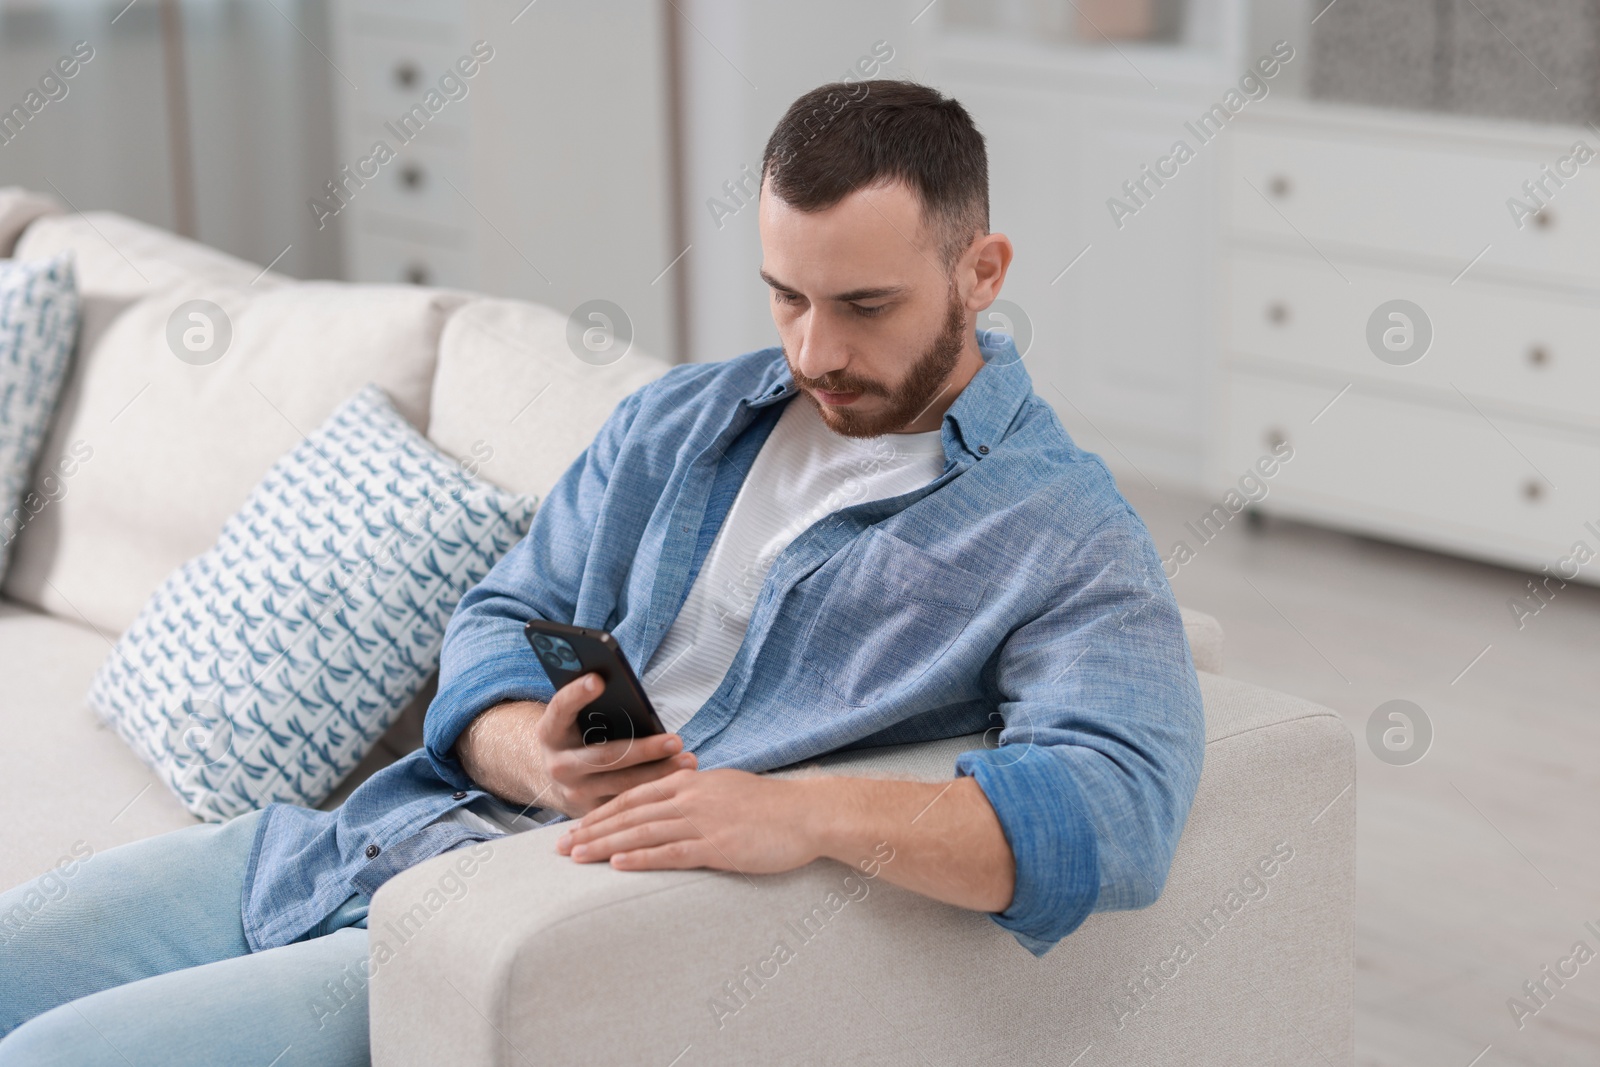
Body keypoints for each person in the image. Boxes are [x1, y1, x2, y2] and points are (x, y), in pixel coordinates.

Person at [0, 79, 1204, 1065]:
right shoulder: (678, 421)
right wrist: (532, 748)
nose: (812, 350)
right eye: (785, 295)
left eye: (865, 306)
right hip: (364, 840)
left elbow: (1120, 805)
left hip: (508, 936)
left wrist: (799, 810)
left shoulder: (1062, 530)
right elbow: (501, 613)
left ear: (981, 270)